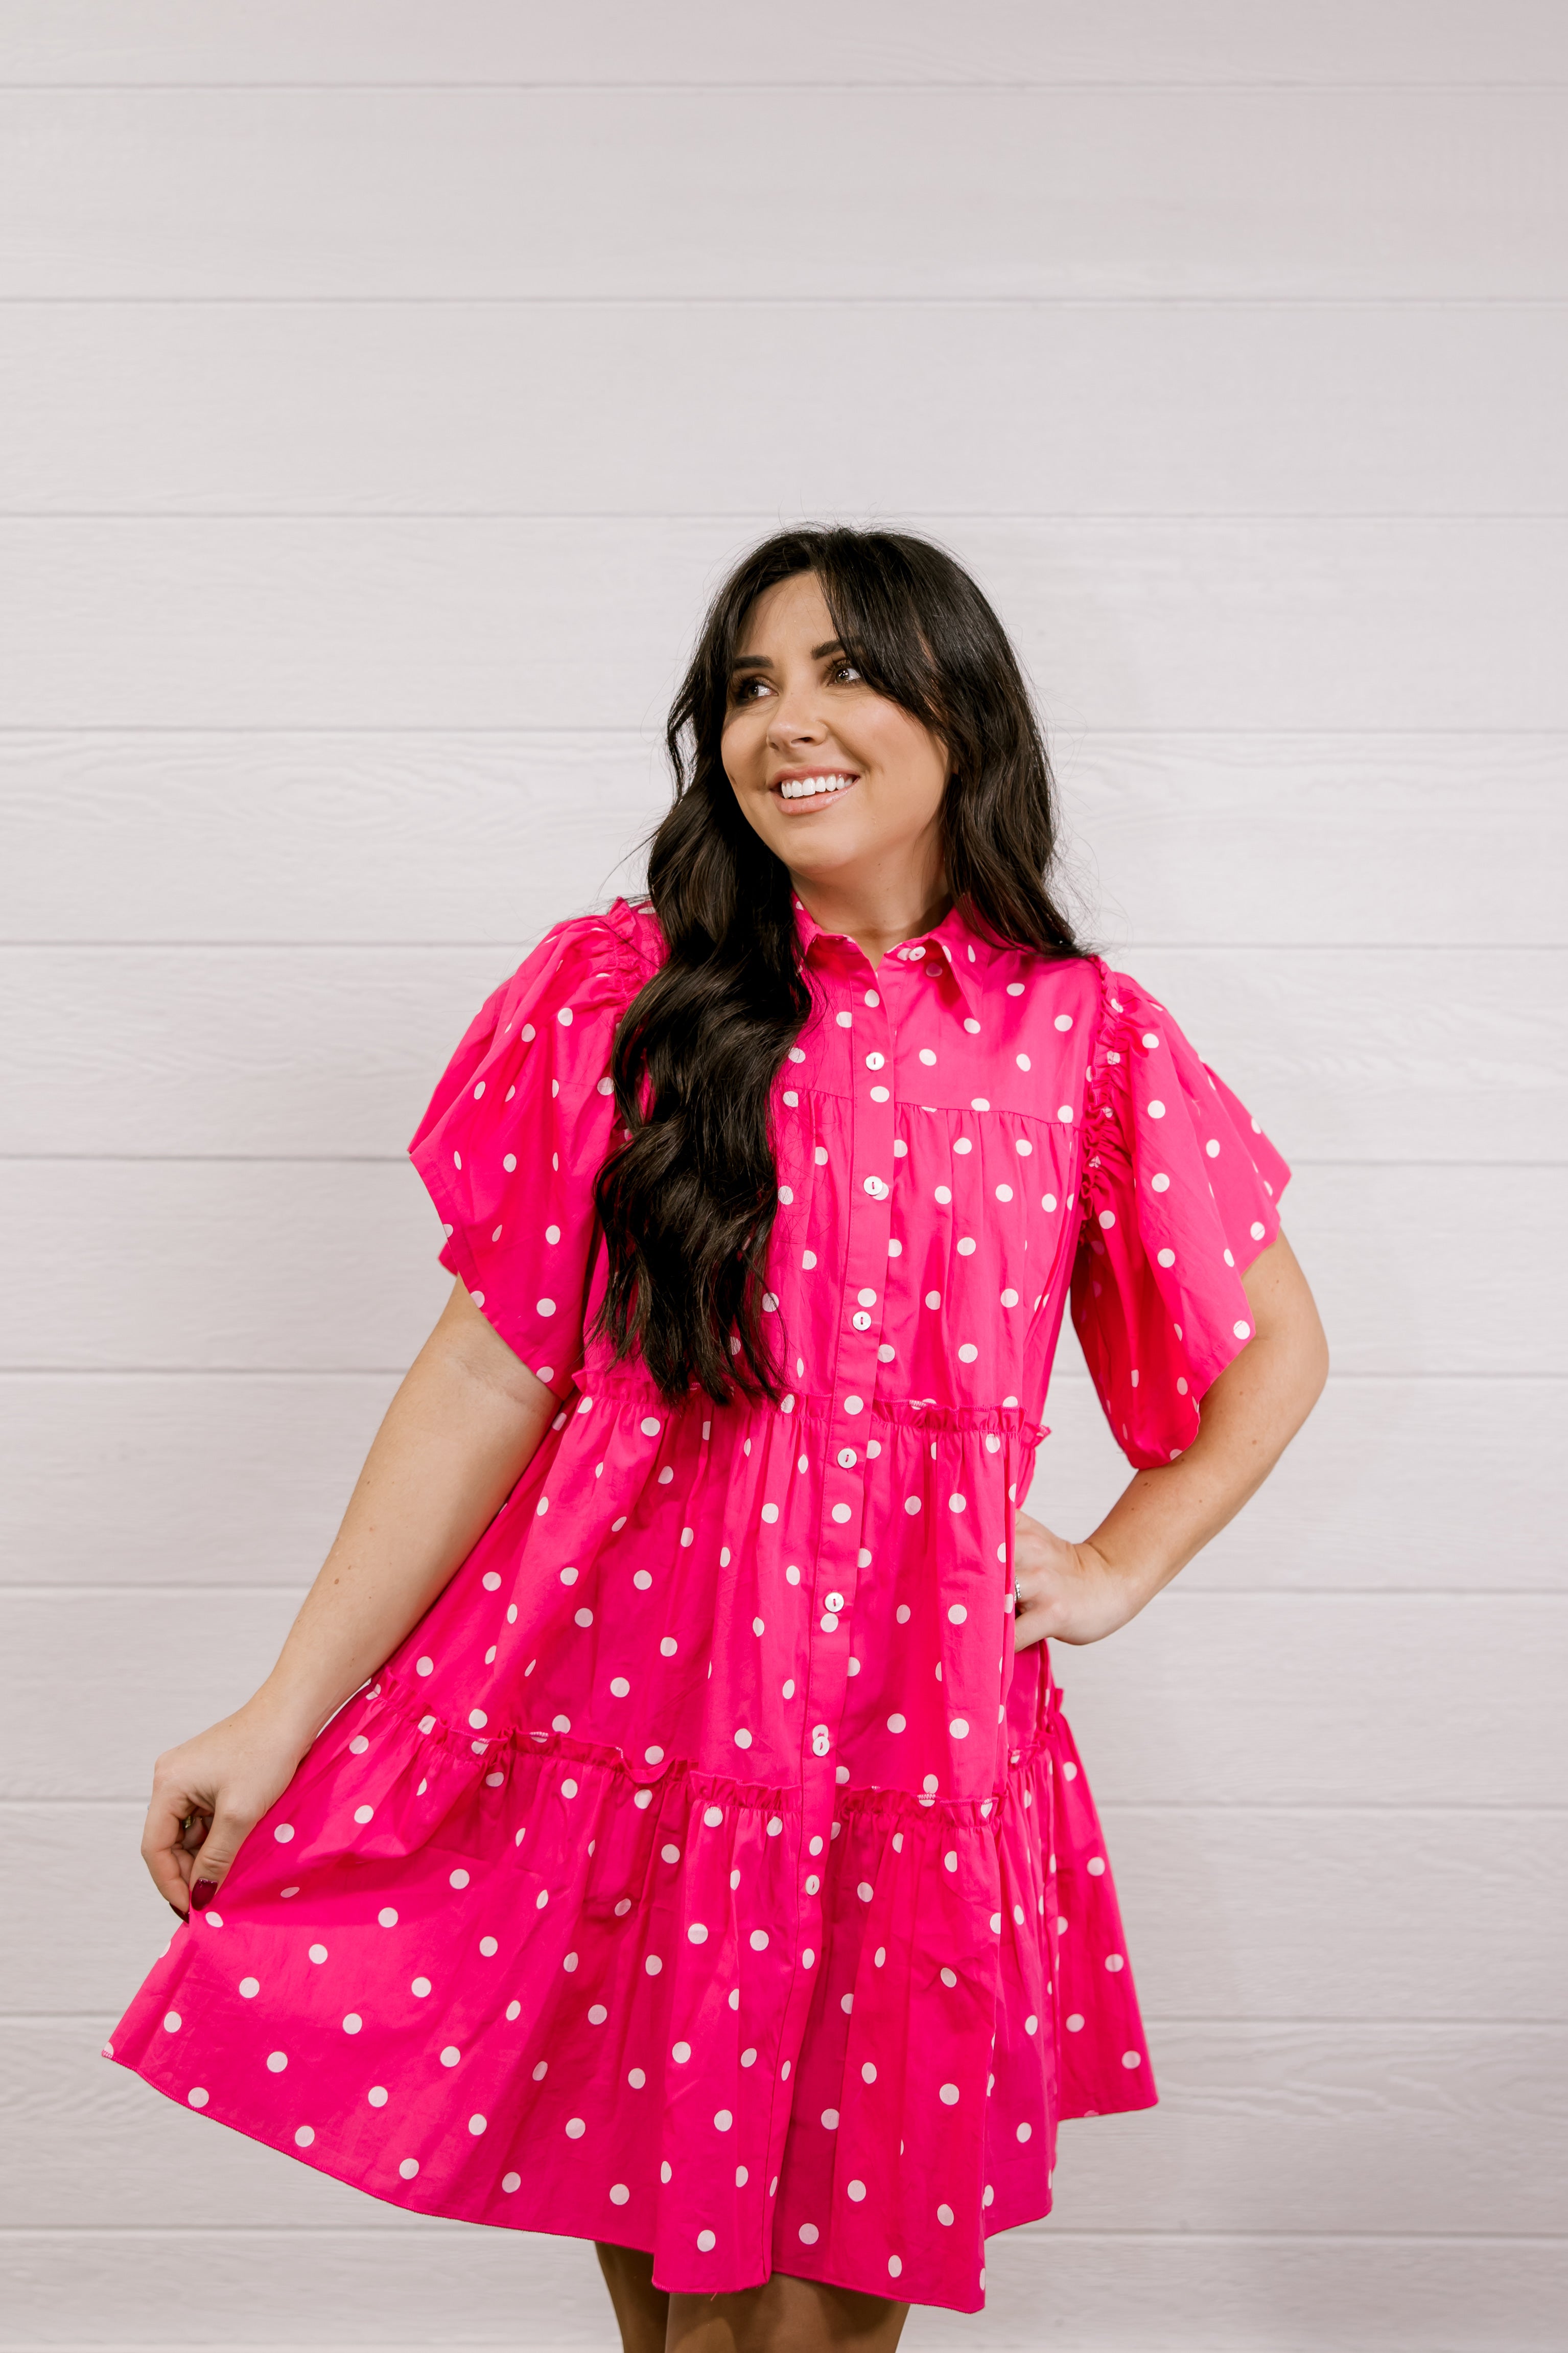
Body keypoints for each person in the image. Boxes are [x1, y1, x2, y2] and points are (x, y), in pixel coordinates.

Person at [106, 526, 1328, 2352]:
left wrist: (1113, 1565)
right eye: (750, 685)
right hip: (630, 1733)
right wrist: (279, 1713)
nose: (788, 722)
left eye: (843, 670)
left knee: (781, 2337)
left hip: (891, 1757)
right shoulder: (630, 995)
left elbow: (1276, 1351)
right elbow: (488, 1371)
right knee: (686, 2334)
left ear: (961, 711)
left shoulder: (1078, 1040)